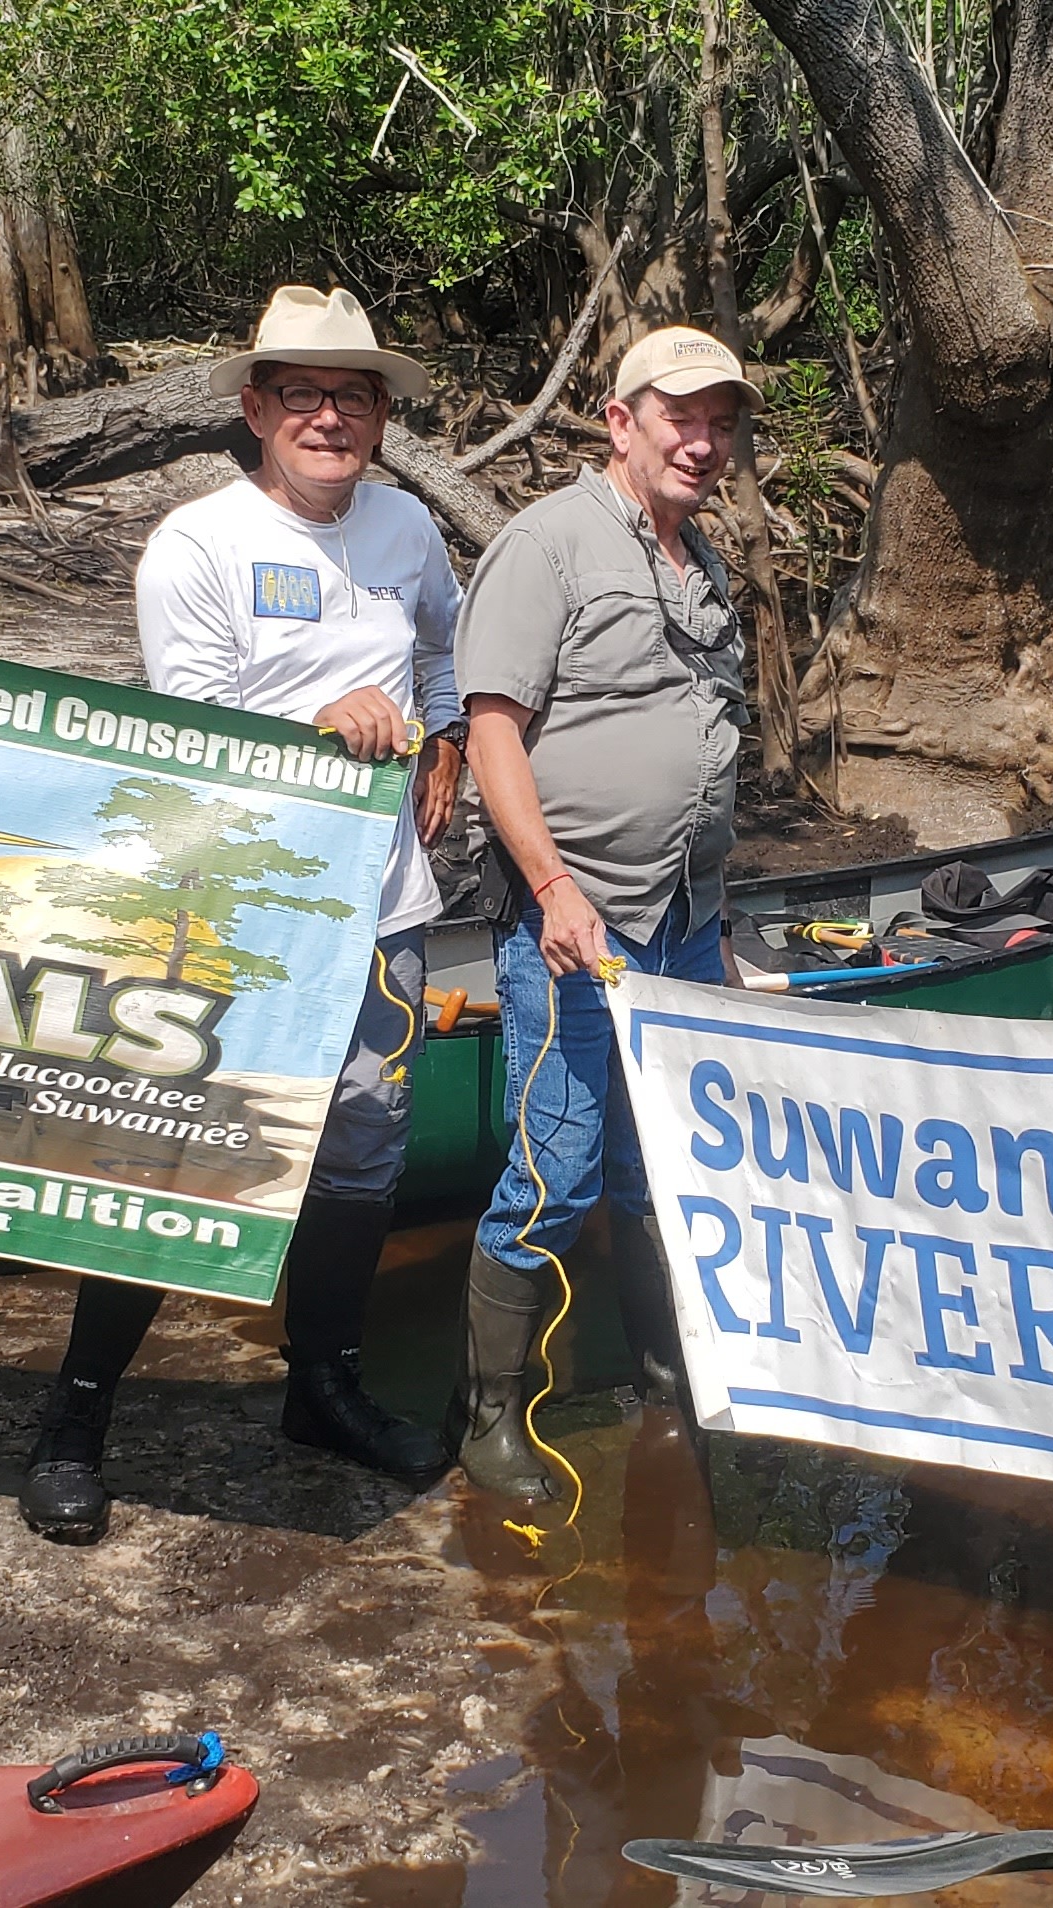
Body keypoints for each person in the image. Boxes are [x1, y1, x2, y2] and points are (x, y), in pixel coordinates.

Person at [18, 286, 470, 1544]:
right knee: (178, 1153)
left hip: (383, 907)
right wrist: (316, 729)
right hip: (234, 912)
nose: (332, 416)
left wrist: (436, 737)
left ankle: (321, 1388)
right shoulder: (197, 544)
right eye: (306, 394)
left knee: (364, 1154)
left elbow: (444, 652)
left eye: (357, 395)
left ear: (383, 415)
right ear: (257, 408)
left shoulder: (409, 531)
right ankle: (76, 1420)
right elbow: (190, 731)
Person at [449, 325, 758, 1502]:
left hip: (681, 920)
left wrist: (716, 920)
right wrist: (554, 889)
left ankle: (661, 1374)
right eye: (680, 415)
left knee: (656, 1164)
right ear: (619, 421)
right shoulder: (548, 547)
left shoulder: (700, 560)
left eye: (722, 420)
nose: (704, 440)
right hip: (577, 921)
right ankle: (488, 1419)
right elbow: (491, 735)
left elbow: (704, 747)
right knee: (556, 1168)